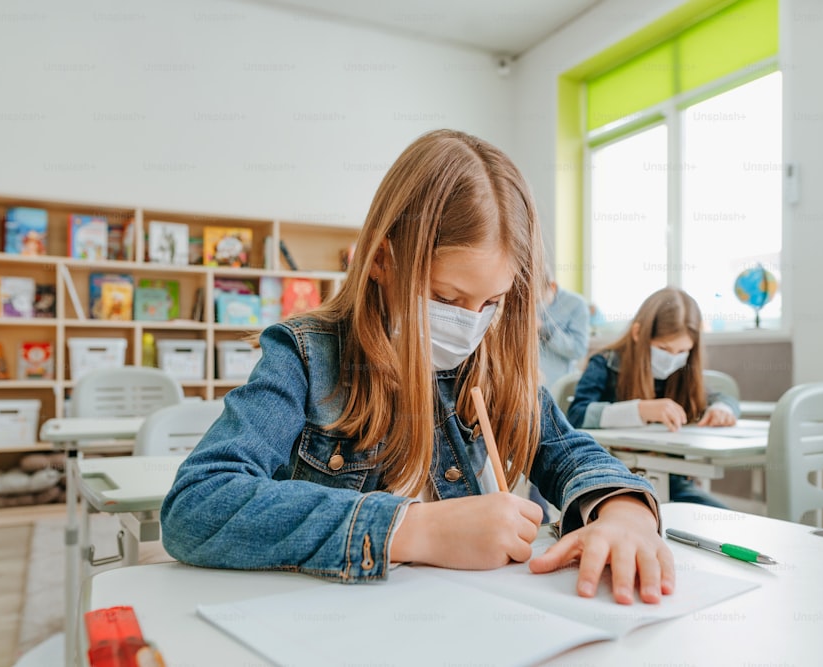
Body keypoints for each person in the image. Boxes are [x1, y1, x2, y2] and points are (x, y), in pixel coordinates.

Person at [161, 129, 674, 605]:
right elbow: (196, 506)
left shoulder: (490, 366)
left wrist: (625, 513)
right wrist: (418, 529)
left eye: (491, 301)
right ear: (383, 260)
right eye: (448, 298)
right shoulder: (306, 357)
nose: (471, 326)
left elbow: (570, 453)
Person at [566, 287, 739, 508]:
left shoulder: (683, 372)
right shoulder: (605, 363)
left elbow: (720, 397)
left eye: (682, 351)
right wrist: (641, 410)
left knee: (724, 518)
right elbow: (577, 415)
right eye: (663, 348)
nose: (672, 359)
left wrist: (723, 408)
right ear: (638, 333)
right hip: (612, 479)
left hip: (672, 481)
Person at [538, 269, 590, 391]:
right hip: (526, 384)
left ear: (552, 286)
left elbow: (579, 350)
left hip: (556, 386)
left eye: (537, 299)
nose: (535, 304)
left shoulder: (577, 304)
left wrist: (543, 329)